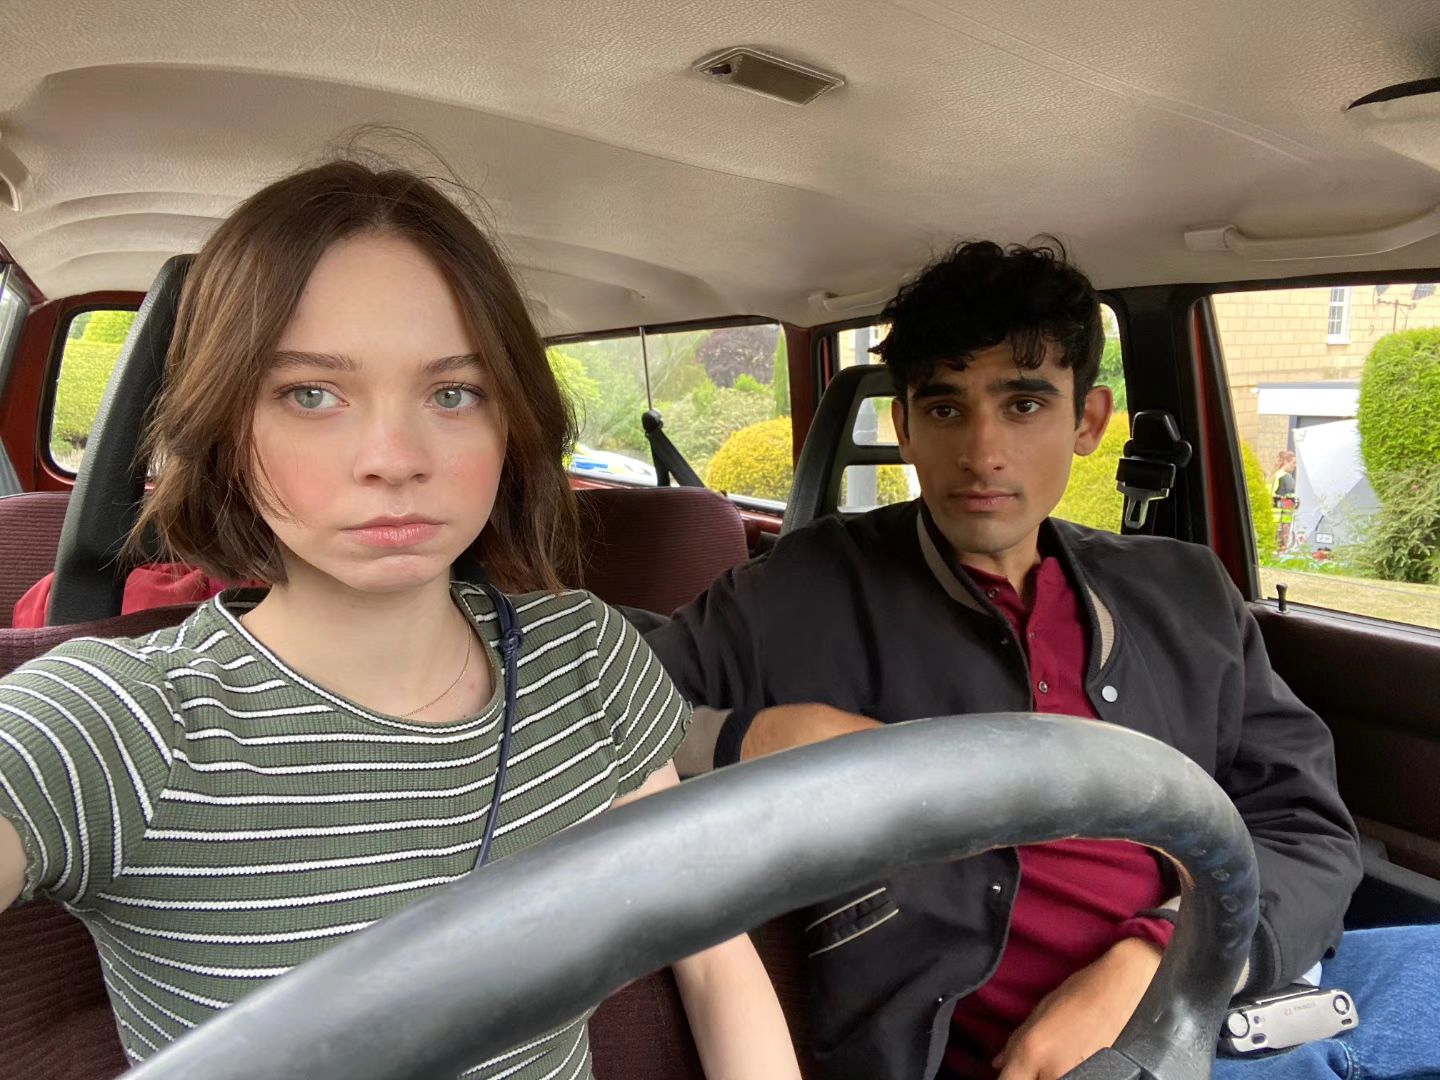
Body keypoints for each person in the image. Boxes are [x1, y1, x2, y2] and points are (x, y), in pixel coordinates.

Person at [0, 160, 801, 1080]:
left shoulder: (584, 657)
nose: (394, 458)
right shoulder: (120, 720)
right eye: (311, 393)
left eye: (453, 393)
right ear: (224, 428)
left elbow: (714, 955)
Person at [645, 240, 1440, 1080]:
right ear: (905, 427)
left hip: (1237, 993)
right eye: (944, 409)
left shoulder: (1185, 592)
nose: (983, 452)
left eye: (1023, 404)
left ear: (1088, 421)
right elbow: (592, 709)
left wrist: (1155, 959)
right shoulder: (800, 590)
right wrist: (752, 739)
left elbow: (1307, 828)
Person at [1269, 449, 1299, 552]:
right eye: (1293, 463)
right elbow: (1287, 505)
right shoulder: (1285, 477)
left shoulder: (1275, 476)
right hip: (1280, 523)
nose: (1295, 466)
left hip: (1273, 520)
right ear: (1286, 462)